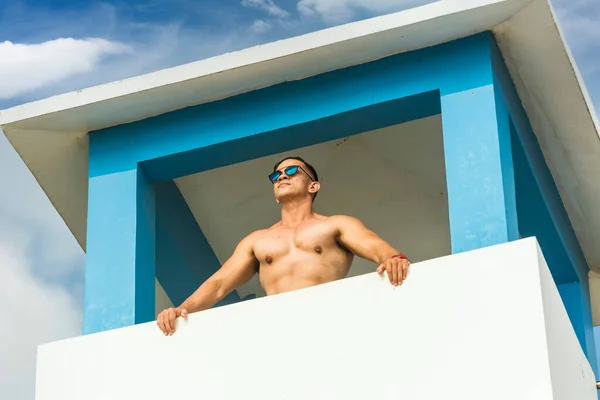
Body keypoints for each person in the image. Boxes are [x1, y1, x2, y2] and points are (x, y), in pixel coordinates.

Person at [156, 156, 411, 335]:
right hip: (276, 328)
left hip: (329, 321)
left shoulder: (335, 225)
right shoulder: (258, 240)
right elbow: (219, 283)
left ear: (313, 185)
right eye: (276, 175)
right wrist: (181, 310)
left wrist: (392, 258)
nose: (281, 177)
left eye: (291, 172)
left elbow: (375, 246)